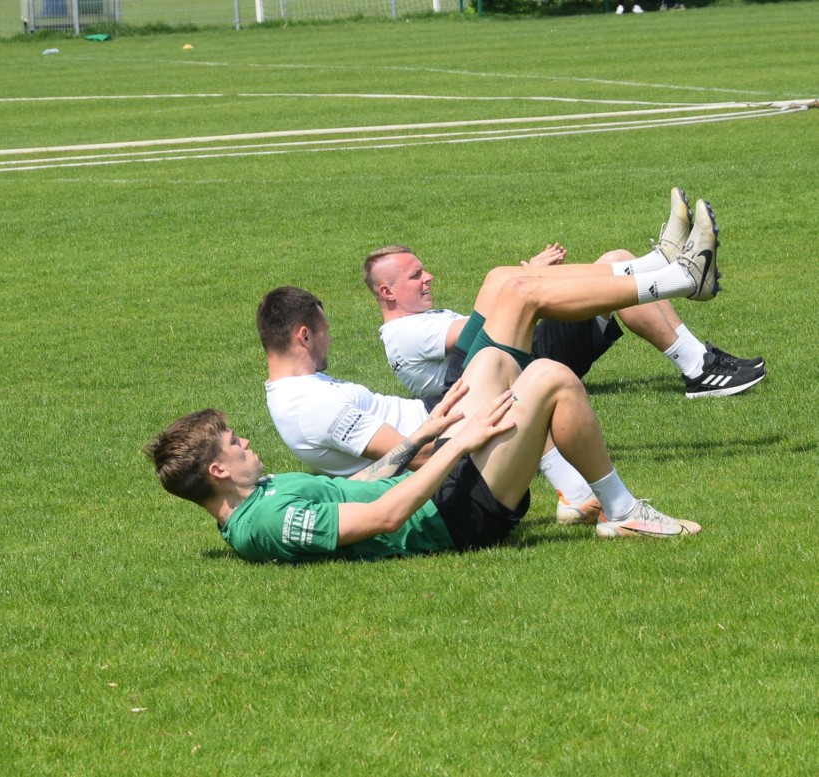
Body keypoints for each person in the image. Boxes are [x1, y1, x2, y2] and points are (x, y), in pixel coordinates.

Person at [258, 199, 722, 524]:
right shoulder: (309, 405)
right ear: (302, 335)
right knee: (519, 292)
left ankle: (666, 270)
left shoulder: (303, 393)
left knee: (508, 282)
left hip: (448, 412)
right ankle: (677, 277)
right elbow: (413, 453)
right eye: (322, 333)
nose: (330, 341)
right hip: (450, 426)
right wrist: (469, 430)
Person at [144, 346, 702, 565]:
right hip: (453, 520)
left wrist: (425, 434)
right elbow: (384, 517)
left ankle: (578, 497)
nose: (246, 443)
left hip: (438, 492)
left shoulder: (257, 496)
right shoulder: (261, 523)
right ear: (218, 472)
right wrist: (458, 443)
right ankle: (623, 509)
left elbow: (363, 483)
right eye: (235, 444)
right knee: (551, 378)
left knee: (490, 365)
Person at [364, 188, 764, 405]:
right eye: (416, 276)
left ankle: (667, 272)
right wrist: (529, 280)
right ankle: (691, 333)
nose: (429, 277)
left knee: (615, 260)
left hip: (527, 360)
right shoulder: (404, 335)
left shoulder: (414, 323)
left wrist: (528, 280)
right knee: (552, 286)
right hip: (523, 373)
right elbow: (481, 334)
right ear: (387, 292)